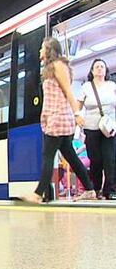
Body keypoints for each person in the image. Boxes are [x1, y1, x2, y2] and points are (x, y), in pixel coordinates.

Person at [21, 37, 95, 204]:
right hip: (54, 118)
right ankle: (89, 189)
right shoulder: (48, 69)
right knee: (71, 157)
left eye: (42, 47)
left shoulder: (59, 65)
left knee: (47, 156)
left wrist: (77, 113)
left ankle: (38, 193)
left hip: (59, 118)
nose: (40, 51)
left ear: (49, 49)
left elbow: (69, 91)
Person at [77, 59, 116, 200]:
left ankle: (110, 190)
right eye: (97, 67)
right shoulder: (86, 87)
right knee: (95, 160)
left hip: (109, 128)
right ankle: (96, 188)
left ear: (106, 71)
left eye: (102, 67)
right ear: (92, 71)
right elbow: (78, 105)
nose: (100, 69)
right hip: (91, 128)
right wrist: (77, 116)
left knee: (110, 159)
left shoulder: (112, 86)